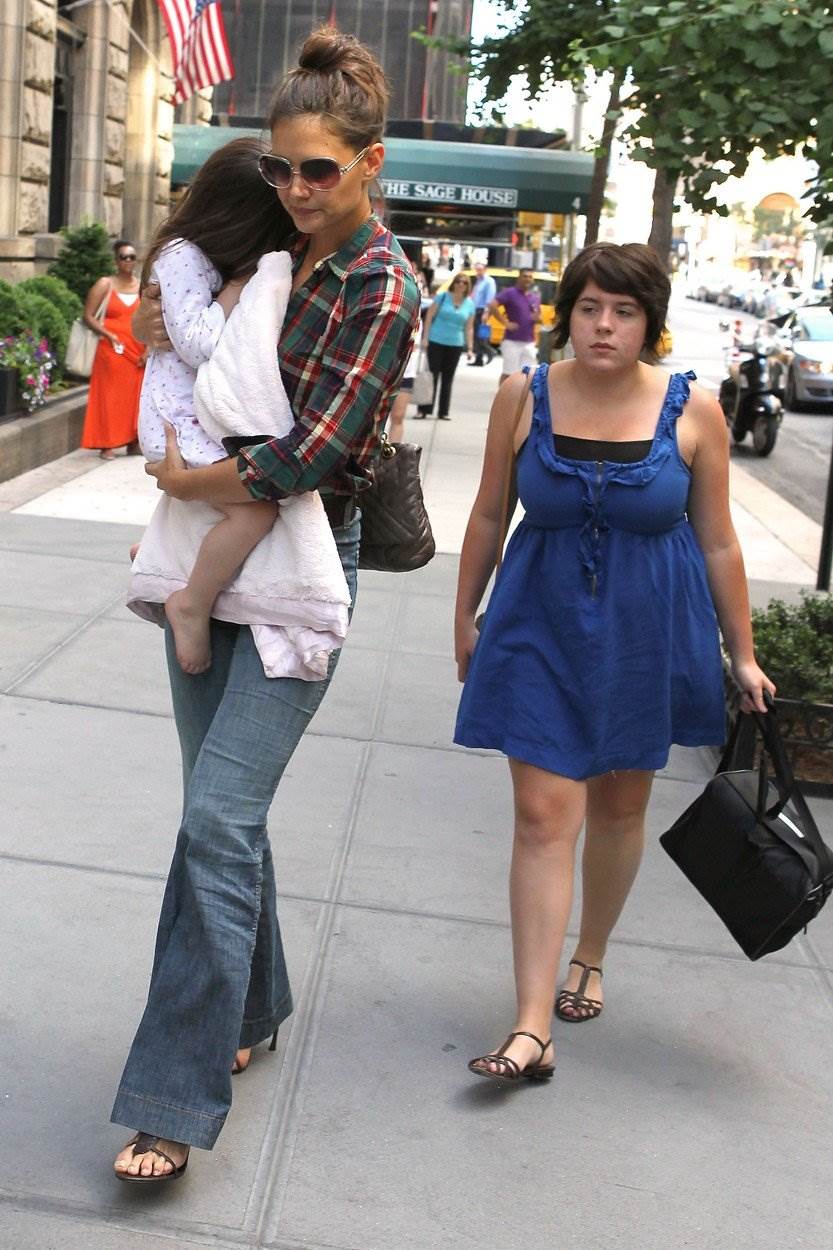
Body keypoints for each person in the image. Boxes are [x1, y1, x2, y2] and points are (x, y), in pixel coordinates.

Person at [111, 26, 419, 1183]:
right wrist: (157, 327)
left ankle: (170, 1099)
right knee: (218, 811)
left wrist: (185, 479)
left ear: (370, 162)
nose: (295, 187)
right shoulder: (272, 243)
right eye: (282, 168)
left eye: (318, 170)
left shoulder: (381, 285)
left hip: (300, 559)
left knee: (216, 817)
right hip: (210, 548)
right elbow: (185, 326)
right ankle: (255, 1001)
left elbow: (305, 456)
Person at [453, 242, 774, 1086]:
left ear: (649, 323)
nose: (603, 325)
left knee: (620, 805)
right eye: (590, 307)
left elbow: (717, 540)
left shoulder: (693, 409)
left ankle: (588, 954)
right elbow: (487, 514)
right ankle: (530, 1025)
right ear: (568, 314)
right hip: (537, 622)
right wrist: (464, 616)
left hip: (648, 631)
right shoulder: (523, 396)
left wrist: (741, 654)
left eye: (623, 311)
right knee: (541, 814)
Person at [133, 137, 296, 675]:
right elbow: (198, 343)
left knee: (236, 504)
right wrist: (237, 288)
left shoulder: (191, 253)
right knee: (255, 509)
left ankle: (162, 555)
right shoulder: (183, 255)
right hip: (176, 423)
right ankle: (191, 602)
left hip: (186, 417)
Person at [80, 240, 146, 459]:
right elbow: (88, 316)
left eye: (132, 257)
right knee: (110, 396)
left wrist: (149, 348)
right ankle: (107, 443)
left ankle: (132, 441)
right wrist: (108, 334)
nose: (128, 261)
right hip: (111, 348)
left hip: (137, 349)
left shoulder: (142, 286)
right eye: (123, 257)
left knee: (134, 397)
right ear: (116, 261)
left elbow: (149, 318)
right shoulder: (105, 284)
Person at [416, 272, 475, 421]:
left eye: (464, 283)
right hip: (436, 340)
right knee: (431, 376)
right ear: (454, 283)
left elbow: (469, 327)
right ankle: (423, 410)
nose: (461, 284)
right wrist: (425, 338)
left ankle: (443, 411)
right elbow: (429, 316)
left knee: (448, 378)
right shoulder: (442, 297)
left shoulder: (469, 304)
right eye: (458, 281)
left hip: (455, 344)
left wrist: (470, 348)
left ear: (467, 286)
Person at [490, 267, 541, 385]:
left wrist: (537, 319)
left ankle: (521, 396)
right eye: (525, 276)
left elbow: (538, 318)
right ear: (519, 277)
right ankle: (503, 395)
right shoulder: (510, 293)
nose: (527, 279)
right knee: (509, 374)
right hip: (512, 341)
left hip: (529, 342)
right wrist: (505, 323)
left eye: (530, 277)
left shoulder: (534, 297)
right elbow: (493, 305)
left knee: (528, 375)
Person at [470, 261, 497, 366]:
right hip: (475, 310)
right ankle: (479, 359)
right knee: (477, 336)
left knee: (480, 335)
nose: (478, 272)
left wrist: (486, 312)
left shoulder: (489, 281)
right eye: (477, 270)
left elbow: (490, 298)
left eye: (480, 270)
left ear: (485, 270)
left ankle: (490, 351)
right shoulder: (478, 281)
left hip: (482, 311)